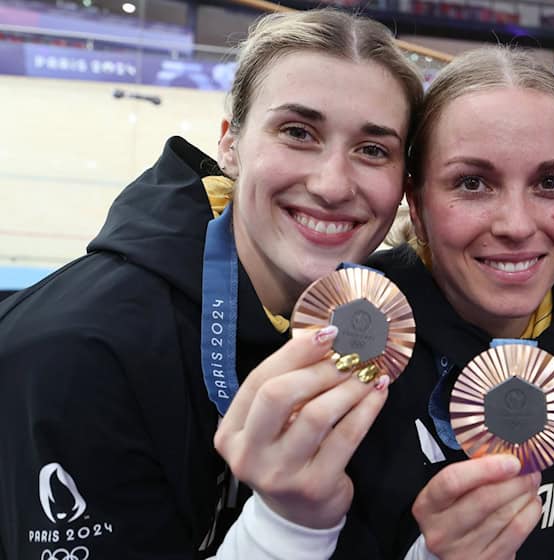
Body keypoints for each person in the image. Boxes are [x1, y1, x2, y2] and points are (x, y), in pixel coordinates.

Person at [0, 8, 423, 558]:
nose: (332, 184)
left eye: (372, 150)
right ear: (230, 145)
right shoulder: (75, 354)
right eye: (297, 132)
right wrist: (287, 530)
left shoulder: (375, 332)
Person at [328, 47, 554, 559]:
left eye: (550, 182)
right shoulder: (345, 335)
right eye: (472, 183)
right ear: (415, 204)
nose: (515, 224)